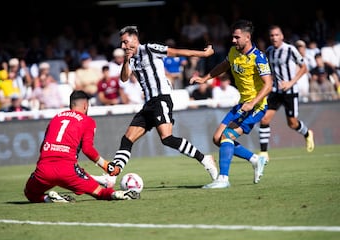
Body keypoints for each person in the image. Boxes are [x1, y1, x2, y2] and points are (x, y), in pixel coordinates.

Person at [95, 25, 217, 187]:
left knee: (167, 138)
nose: (123, 46)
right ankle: (112, 176)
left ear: (134, 39)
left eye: (125, 42)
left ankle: (205, 159)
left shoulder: (150, 49)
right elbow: (124, 78)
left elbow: (177, 52)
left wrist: (204, 54)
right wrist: (126, 59)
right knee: (127, 139)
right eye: (122, 43)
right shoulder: (130, 59)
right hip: (149, 104)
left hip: (161, 99)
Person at [190, 19, 272, 188]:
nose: (233, 40)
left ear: (247, 37)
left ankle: (223, 179)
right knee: (217, 138)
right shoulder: (234, 52)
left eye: (237, 37)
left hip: (256, 106)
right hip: (243, 104)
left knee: (227, 136)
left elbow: (268, 84)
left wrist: (253, 103)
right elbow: (223, 66)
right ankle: (255, 159)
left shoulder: (258, 57)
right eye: (232, 37)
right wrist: (205, 78)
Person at [23, 90, 140, 203]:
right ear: (85, 105)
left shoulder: (55, 118)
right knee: (100, 193)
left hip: (44, 170)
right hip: (68, 172)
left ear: (70, 105)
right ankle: (118, 194)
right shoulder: (87, 121)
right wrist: (106, 166)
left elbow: (43, 146)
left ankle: (48, 199)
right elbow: (87, 149)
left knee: (30, 193)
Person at [258, 25, 315, 164]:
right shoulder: (269, 51)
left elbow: (304, 68)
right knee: (264, 119)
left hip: (290, 92)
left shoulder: (290, 50)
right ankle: (264, 153)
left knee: (292, 123)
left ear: (282, 36)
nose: (274, 38)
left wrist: (290, 82)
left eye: (277, 35)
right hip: (276, 92)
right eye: (272, 35)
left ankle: (307, 133)